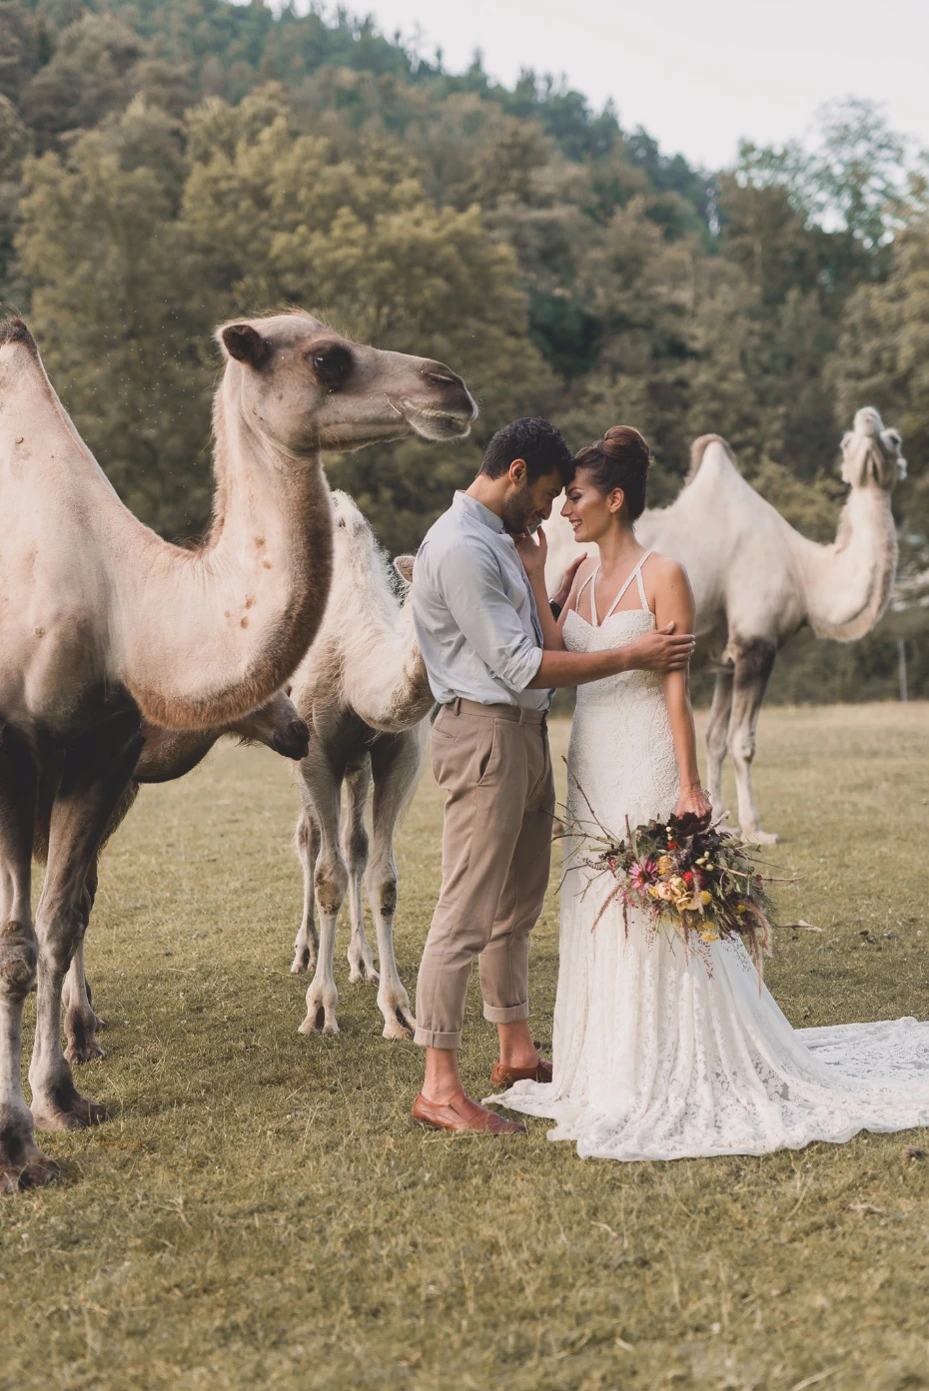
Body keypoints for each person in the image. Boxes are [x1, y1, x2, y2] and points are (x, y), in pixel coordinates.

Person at [489, 424, 929, 1160]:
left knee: (652, 904)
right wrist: (538, 581)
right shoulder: (577, 575)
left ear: (615, 499)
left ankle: (668, 1058)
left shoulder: (665, 575)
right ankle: (606, 1061)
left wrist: (691, 784)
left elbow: (675, 689)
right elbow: (555, 655)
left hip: (649, 756)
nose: (564, 508)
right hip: (592, 756)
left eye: (576, 496)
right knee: (592, 902)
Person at [410, 417, 696, 1134]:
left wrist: (541, 579)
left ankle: (514, 1051)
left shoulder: (501, 544)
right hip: (484, 735)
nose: (549, 511)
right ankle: (439, 1085)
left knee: (516, 907)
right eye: (544, 493)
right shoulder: (459, 547)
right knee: (464, 913)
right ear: (514, 473)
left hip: (526, 735)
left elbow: (541, 636)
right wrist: (629, 656)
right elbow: (518, 663)